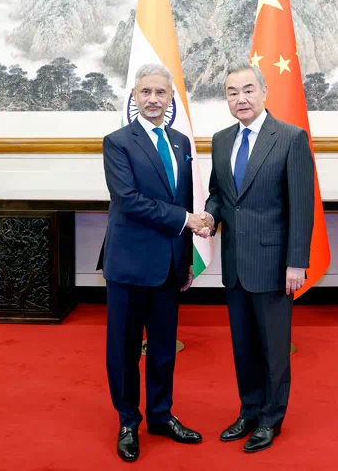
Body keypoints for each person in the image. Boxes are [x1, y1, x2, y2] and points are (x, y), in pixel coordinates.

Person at [201, 59, 315, 453]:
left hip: (274, 264)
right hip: (235, 264)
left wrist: (297, 262)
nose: (241, 98)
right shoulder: (220, 140)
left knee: (274, 348)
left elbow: (302, 205)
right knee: (243, 345)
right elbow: (218, 194)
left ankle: (271, 418)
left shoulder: (290, 138)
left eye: (248, 90)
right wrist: (210, 217)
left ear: (264, 92)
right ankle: (249, 410)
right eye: (232, 92)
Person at [100, 63, 207, 462]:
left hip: (168, 267)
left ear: (171, 98)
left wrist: (186, 259)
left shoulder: (180, 142)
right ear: (134, 96)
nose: (153, 99)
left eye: (161, 92)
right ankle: (128, 421)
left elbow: (183, 199)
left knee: (163, 349)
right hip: (129, 265)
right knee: (124, 350)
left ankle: (161, 416)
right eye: (145, 92)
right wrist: (186, 220)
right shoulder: (117, 142)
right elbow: (129, 201)